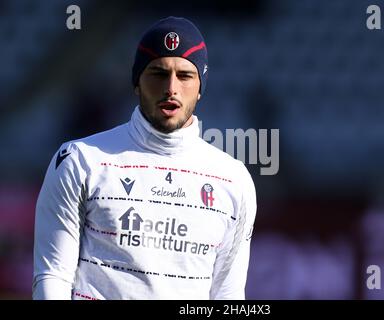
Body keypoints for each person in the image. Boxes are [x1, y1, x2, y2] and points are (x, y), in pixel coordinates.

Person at [32, 16, 257, 300]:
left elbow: (227, 294)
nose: (171, 88)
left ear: (200, 87)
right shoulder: (79, 160)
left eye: (185, 75)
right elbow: (52, 275)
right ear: (137, 82)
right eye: (158, 74)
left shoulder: (234, 180)